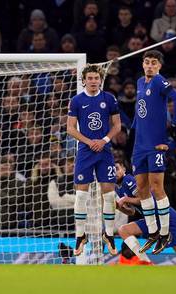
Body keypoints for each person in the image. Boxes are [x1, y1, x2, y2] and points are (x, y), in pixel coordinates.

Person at [67, 64, 122, 256]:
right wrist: (90, 142)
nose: (93, 81)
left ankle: (108, 234)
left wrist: (104, 140)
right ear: (84, 80)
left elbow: (117, 125)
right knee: (81, 195)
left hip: (104, 151)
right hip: (85, 151)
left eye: (96, 78)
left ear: (100, 80)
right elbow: (71, 128)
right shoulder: (76, 101)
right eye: (89, 78)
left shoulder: (109, 99)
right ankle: (80, 236)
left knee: (108, 195)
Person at [132, 50, 176, 254]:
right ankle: (153, 232)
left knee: (156, 187)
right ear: (143, 65)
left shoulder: (159, 81)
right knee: (142, 188)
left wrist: (175, 125)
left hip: (156, 145)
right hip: (139, 145)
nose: (150, 66)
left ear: (160, 66)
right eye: (147, 62)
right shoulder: (139, 82)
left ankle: (164, 232)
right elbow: (140, 109)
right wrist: (134, 128)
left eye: (154, 63)